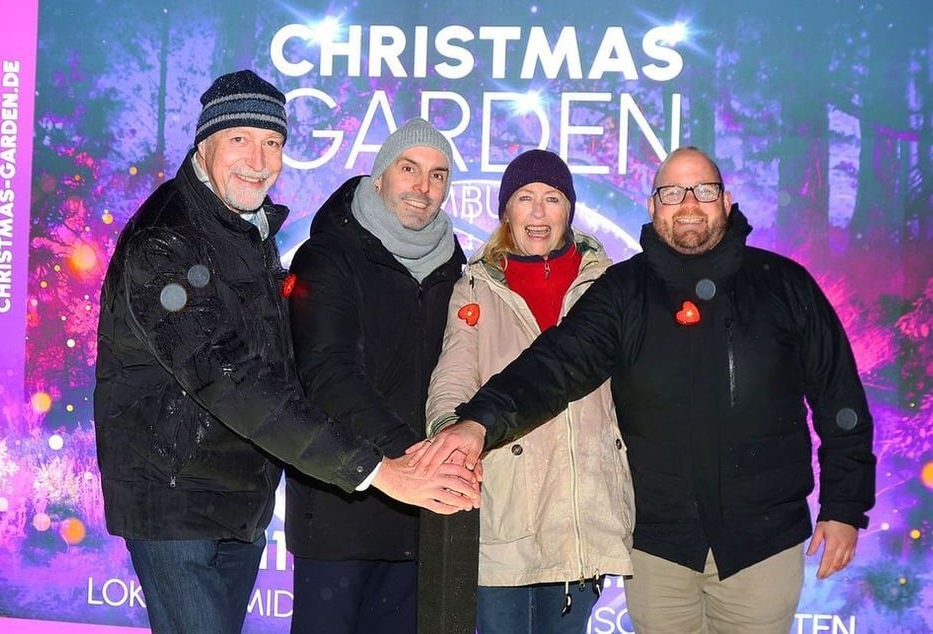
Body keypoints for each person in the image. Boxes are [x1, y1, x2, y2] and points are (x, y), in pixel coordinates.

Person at [418, 146, 877, 633]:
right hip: (659, 548)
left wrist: (845, 507)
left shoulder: (786, 286)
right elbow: (552, 366)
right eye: (672, 192)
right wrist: (476, 423)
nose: (689, 203)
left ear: (726, 199)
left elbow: (840, 401)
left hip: (764, 542)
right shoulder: (622, 291)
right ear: (654, 205)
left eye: (703, 190)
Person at [94, 73, 478, 634]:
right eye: (240, 139)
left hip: (240, 499)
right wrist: (376, 468)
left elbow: (279, 369)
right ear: (204, 145)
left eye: (272, 142)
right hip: (175, 498)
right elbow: (231, 378)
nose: (258, 158)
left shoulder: (248, 232)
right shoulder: (167, 238)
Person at [425, 149, 635, 633]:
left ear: (569, 211)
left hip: (581, 508)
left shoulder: (610, 285)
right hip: (506, 501)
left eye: (552, 199)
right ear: (506, 211)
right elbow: (453, 377)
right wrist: (447, 437)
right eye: (525, 198)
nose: (538, 213)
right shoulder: (477, 287)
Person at [284, 117, 470, 634]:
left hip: (420, 521)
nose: (423, 186)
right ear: (380, 177)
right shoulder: (327, 255)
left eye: (438, 175)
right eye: (409, 168)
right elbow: (328, 373)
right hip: (341, 506)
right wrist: (411, 456)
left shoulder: (454, 267)